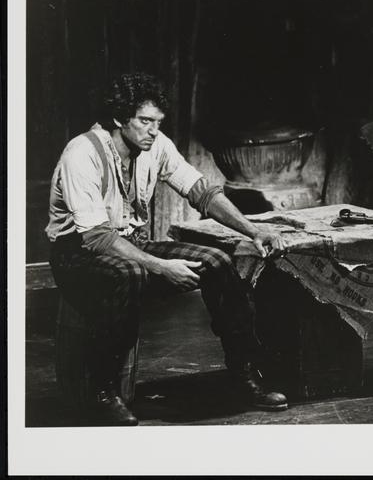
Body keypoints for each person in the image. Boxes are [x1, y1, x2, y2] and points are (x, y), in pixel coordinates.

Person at [46, 73, 289, 426]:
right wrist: (161, 267)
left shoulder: (155, 146)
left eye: (158, 122)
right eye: (145, 121)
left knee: (218, 261)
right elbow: (97, 238)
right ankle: (102, 391)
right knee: (130, 273)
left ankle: (243, 374)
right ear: (120, 118)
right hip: (76, 255)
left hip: (130, 244)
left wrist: (254, 231)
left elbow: (201, 192)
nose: (153, 130)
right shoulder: (82, 153)